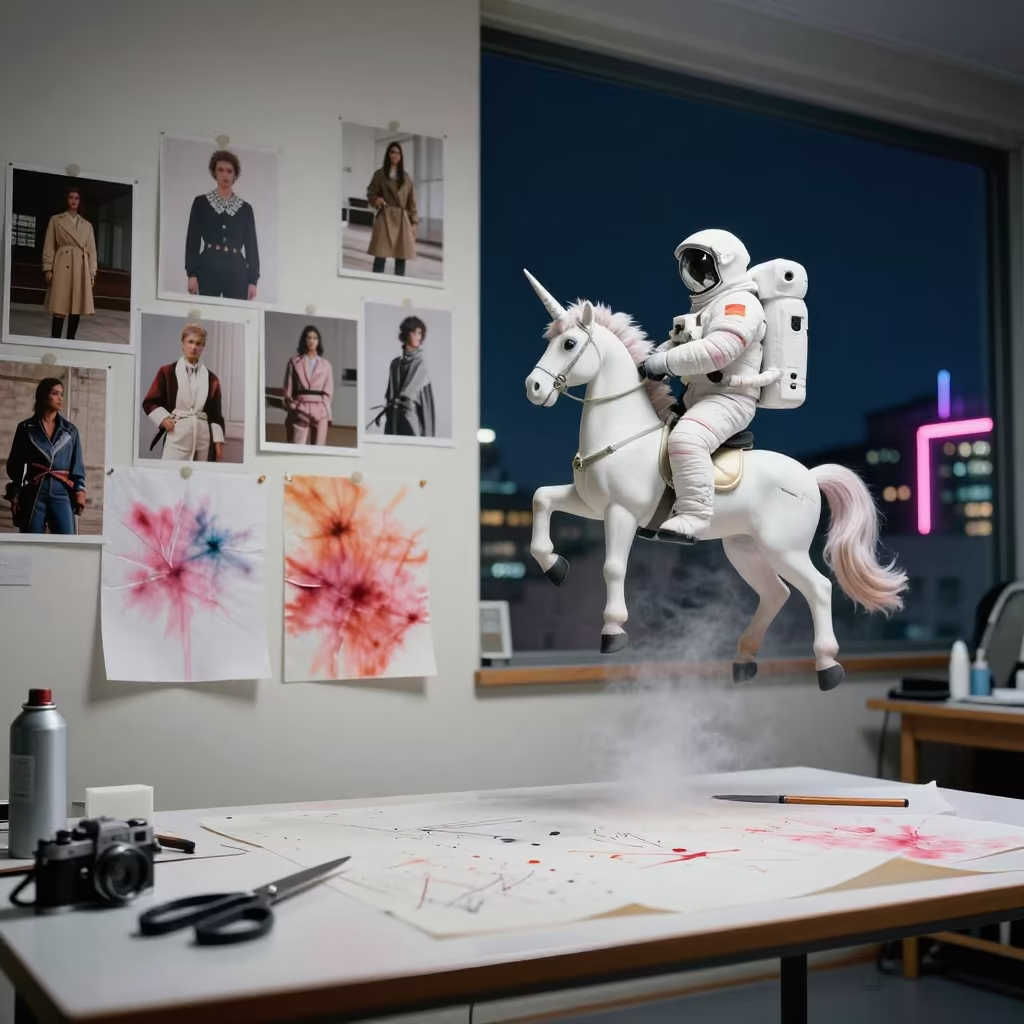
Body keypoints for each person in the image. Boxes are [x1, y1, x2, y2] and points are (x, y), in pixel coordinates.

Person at [638, 229, 766, 543]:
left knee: (686, 439)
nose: (696, 276)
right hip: (699, 396)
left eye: (701, 267)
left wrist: (662, 364)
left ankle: (695, 515)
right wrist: (652, 359)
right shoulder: (706, 308)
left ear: (725, 266)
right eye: (691, 269)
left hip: (729, 399)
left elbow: (717, 351)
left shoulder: (740, 304)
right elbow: (678, 343)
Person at [5, 378, 87, 534]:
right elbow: (15, 466)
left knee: (66, 544)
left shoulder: (70, 431)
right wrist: (14, 494)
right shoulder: (25, 428)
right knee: (31, 544)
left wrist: (80, 491)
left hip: (62, 493)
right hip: (33, 493)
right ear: (43, 396)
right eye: (55, 393)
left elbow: (77, 466)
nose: (60, 398)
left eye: (61, 394)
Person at [142, 323, 225, 461]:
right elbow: (150, 402)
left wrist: (217, 442)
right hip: (177, 436)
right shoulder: (167, 372)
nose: (194, 347)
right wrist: (163, 419)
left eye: (198, 343)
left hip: (202, 441)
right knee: (171, 477)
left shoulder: (212, 380)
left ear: (203, 347)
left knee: (198, 479)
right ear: (183, 344)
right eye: (190, 342)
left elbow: (215, 415)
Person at [184, 149, 260, 301]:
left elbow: (251, 245)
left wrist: (252, 281)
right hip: (208, 268)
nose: (225, 175)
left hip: (237, 272)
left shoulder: (245, 209)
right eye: (221, 170)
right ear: (214, 173)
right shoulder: (201, 203)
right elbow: (192, 240)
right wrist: (192, 274)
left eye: (229, 171)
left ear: (235, 175)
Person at [42, 187, 97, 340]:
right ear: (66, 200)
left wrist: (92, 272)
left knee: (76, 306)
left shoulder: (87, 225)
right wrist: (48, 268)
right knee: (59, 306)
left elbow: (92, 250)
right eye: (71, 197)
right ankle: (55, 340)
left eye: (77, 198)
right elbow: (49, 245)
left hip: (80, 267)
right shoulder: (56, 220)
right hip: (62, 264)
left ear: (80, 202)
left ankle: (70, 341)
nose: (73, 200)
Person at [370, 316, 435, 436]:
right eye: (415, 332)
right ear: (406, 332)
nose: (418, 336)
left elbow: (426, 411)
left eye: (420, 333)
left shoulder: (422, 367)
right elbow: (389, 395)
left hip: (412, 426)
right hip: (394, 423)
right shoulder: (395, 364)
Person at [366, 142, 418, 276]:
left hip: (402, 219)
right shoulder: (380, 174)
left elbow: (411, 202)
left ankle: (399, 283)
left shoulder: (406, 178)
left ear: (401, 156)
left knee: (401, 256)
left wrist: (414, 222)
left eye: (398, 153)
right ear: (388, 155)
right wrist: (376, 200)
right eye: (392, 152)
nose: (395, 155)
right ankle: (376, 280)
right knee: (380, 254)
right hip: (385, 216)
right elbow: (371, 192)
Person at [283, 325, 334, 446]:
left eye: (315, 338)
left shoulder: (326, 365)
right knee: (297, 447)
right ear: (304, 340)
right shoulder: (294, 362)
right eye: (309, 337)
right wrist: (293, 405)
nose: (311, 341)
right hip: (300, 408)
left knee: (318, 449)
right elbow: (287, 388)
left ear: (318, 341)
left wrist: (324, 408)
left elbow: (329, 391)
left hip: (320, 411)